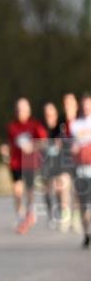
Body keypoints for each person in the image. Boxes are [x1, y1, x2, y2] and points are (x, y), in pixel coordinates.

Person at [0, 98, 47, 234]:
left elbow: (43, 142)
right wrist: (5, 149)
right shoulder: (11, 127)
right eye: (19, 110)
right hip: (16, 163)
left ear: (28, 111)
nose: (21, 112)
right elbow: (9, 143)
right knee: (17, 191)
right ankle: (21, 219)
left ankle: (30, 211)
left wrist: (32, 146)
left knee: (29, 190)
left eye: (23, 110)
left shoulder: (35, 125)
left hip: (30, 163)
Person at [41, 102, 70, 230]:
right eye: (47, 115)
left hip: (60, 161)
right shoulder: (41, 128)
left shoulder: (61, 127)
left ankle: (63, 212)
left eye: (52, 114)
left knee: (61, 187)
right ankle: (50, 214)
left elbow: (66, 141)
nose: (50, 117)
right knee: (47, 191)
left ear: (56, 115)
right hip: (46, 162)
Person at [72, 93, 91, 249]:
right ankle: (86, 234)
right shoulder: (75, 125)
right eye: (84, 105)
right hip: (81, 168)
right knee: (84, 204)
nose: (86, 108)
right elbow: (71, 146)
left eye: (89, 105)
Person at [62, 92, 81, 233]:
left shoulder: (81, 122)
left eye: (70, 103)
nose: (68, 106)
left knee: (77, 189)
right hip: (64, 159)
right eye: (66, 104)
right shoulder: (61, 123)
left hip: (80, 160)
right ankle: (65, 215)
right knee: (63, 185)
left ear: (76, 105)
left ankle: (76, 215)